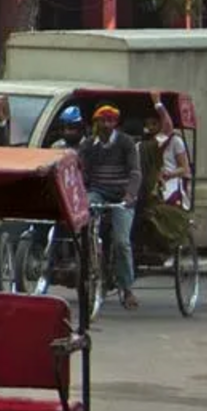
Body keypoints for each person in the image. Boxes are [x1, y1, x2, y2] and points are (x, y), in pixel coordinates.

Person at [80, 105, 145, 310]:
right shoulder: (88, 144)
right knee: (86, 213)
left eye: (110, 121)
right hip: (97, 192)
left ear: (115, 123)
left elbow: (135, 173)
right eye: (102, 121)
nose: (106, 125)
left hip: (121, 196)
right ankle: (90, 255)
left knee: (121, 242)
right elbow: (82, 172)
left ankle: (127, 289)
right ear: (96, 123)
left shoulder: (126, 143)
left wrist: (129, 195)